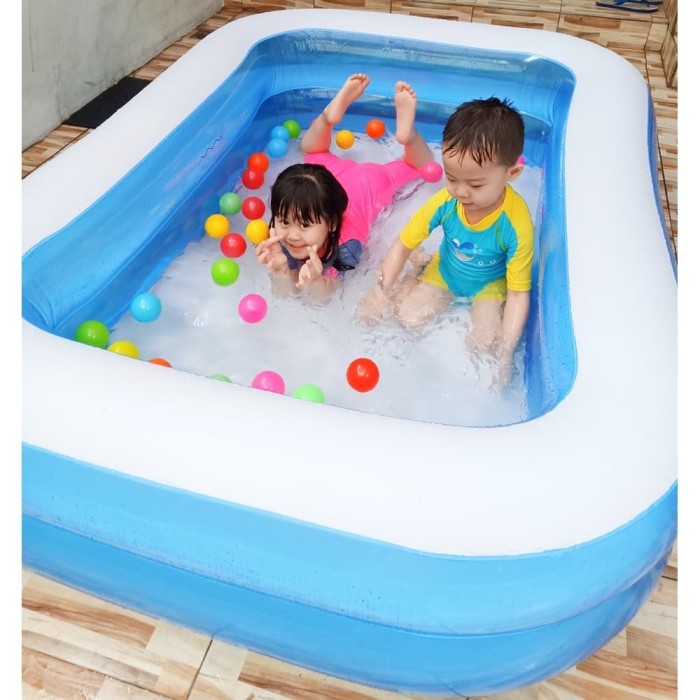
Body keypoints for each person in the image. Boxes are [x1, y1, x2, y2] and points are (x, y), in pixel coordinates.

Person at [358, 97, 534, 387]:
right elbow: (402, 245)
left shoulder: (516, 223)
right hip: (444, 273)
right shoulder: (445, 202)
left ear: (512, 173)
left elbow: (517, 294)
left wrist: (506, 354)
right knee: (406, 318)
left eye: (475, 184)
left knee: (486, 347)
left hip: (489, 285)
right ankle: (418, 270)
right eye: (452, 178)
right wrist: (381, 291)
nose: (460, 191)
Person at [255, 73, 435, 300]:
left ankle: (409, 135)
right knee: (311, 150)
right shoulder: (277, 237)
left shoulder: (346, 248)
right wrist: (281, 269)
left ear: (331, 224)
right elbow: (282, 294)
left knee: (420, 165)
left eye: (304, 225)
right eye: (284, 221)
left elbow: (324, 300)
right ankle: (327, 117)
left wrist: (317, 280)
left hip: (367, 184)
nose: (292, 235)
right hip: (325, 177)